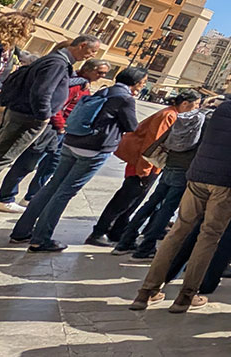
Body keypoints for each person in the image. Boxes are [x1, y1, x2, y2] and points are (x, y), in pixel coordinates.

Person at [130, 74, 231, 313]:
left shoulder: (224, 107)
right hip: (229, 181)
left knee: (179, 230)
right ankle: (185, 297)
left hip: (198, 174)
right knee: (209, 236)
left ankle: (146, 291)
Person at [10, 66, 146, 251]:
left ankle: (21, 231)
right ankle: (40, 238)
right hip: (94, 150)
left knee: (52, 186)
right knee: (64, 193)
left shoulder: (104, 90)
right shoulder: (125, 99)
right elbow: (131, 126)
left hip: (72, 141)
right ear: (136, 82)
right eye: (143, 82)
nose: (143, 85)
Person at [0, 34, 101, 194]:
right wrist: (44, 116)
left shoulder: (58, 61)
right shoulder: (58, 63)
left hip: (24, 114)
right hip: (28, 117)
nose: (93, 55)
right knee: (2, 156)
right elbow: (42, 92)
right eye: (93, 51)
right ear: (82, 45)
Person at [0, 58, 110, 212]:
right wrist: (60, 126)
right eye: (99, 72)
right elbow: (55, 106)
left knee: (50, 165)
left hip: (62, 132)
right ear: (88, 69)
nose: (101, 76)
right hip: (51, 129)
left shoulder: (83, 85)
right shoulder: (74, 84)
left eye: (104, 74)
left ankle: (32, 197)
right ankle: (5, 197)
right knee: (27, 163)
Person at [86, 90, 200, 247]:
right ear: (185, 103)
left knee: (133, 201)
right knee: (124, 200)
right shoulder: (169, 115)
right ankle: (98, 232)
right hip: (143, 164)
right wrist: (144, 170)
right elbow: (151, 145)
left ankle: (117, 231)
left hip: (149, 166)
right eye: (196, 104)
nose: (197, 108)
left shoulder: (173, 115)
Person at [113, 92, 207, 258]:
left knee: (152, 202)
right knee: (167, 208)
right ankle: (146, 247)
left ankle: (125, 241)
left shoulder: (187, 116)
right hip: (184, 169)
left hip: (170, 163)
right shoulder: (204, 120)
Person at [0, 12, 34, 109]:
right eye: (27, 33)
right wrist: (1, 89)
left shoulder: (8, 49)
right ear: (16, 30)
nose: (27, 37)